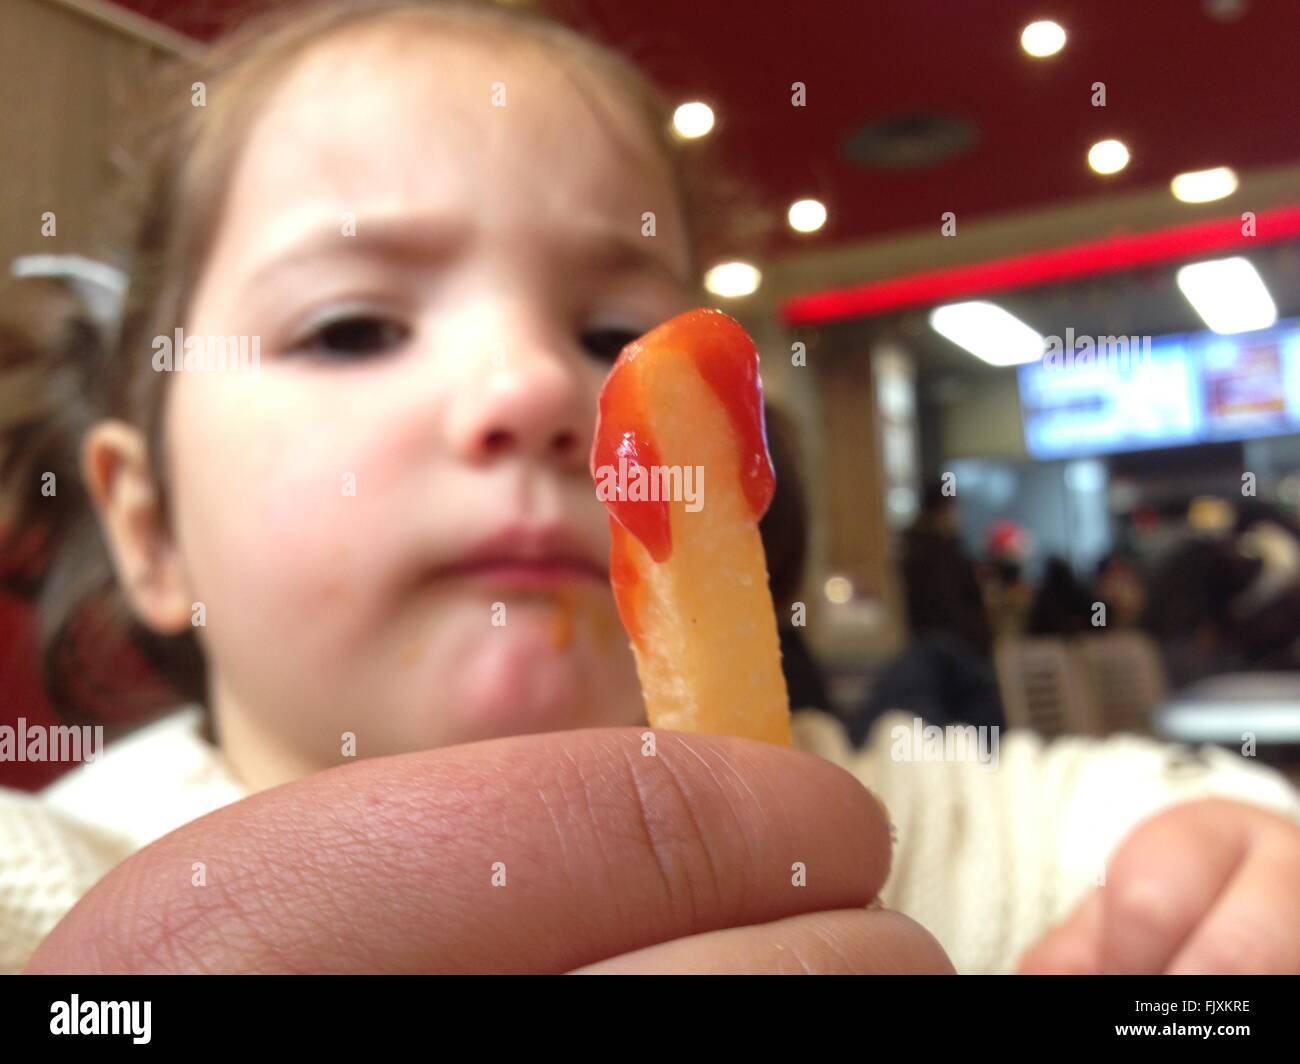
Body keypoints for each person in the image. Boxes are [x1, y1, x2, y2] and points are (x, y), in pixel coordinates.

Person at [2, 0, 1298, 976]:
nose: (531, 390)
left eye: (612, 333)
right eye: (352, 328)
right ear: (148, 526)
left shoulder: (896, 824)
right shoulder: (48, 886)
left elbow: (1159, 818)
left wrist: (1234, 886)